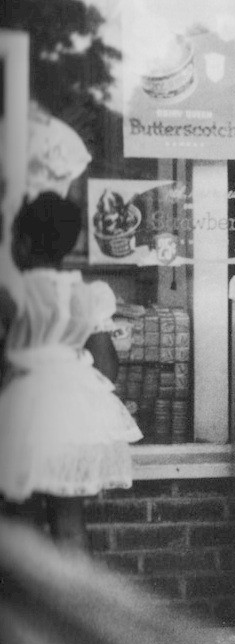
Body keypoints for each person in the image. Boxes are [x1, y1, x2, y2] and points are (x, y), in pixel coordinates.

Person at [0, 193, 143, 549]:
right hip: (71, 421)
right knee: (70, 525)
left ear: (24, 241)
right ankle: (74, 596)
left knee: (21, 526)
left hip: (19, 418)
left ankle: (28, 604)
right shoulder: (87, 295)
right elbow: (107, 369)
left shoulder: (11, 293)